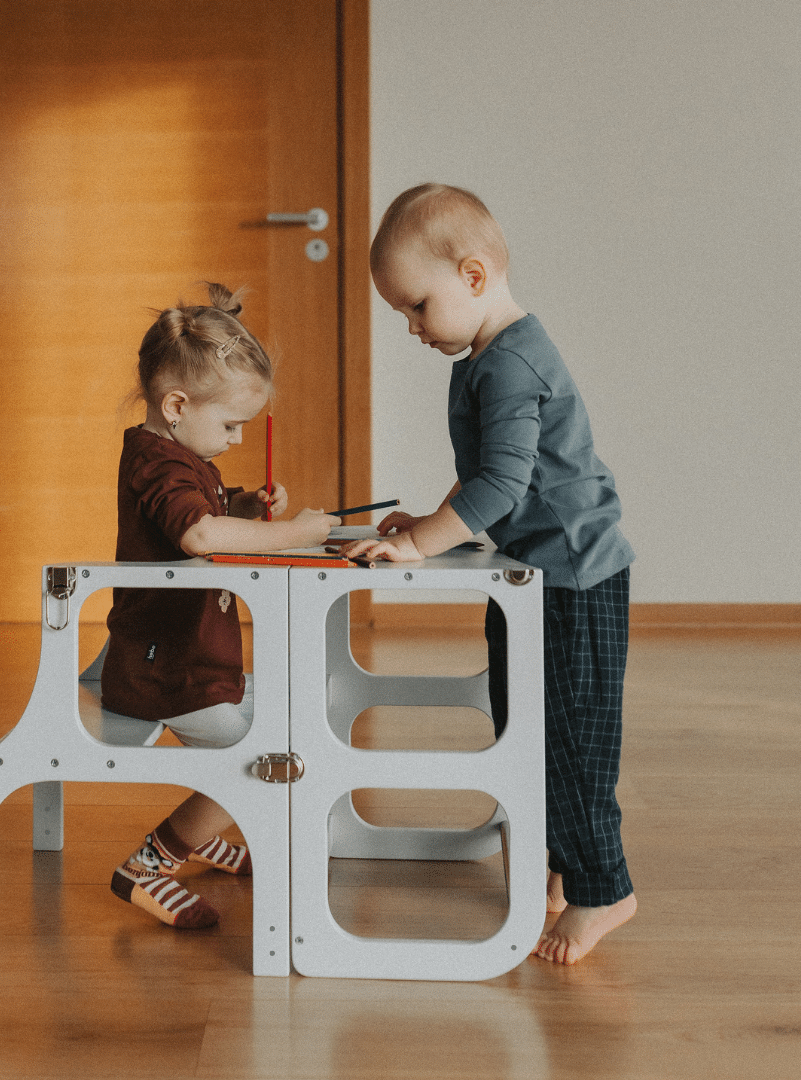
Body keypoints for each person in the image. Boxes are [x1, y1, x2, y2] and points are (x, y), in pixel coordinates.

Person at [337, 184, 637, 965]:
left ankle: (606, 888)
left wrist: (422, 546)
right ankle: (566, 870)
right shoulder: (488, 357)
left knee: (568, 738)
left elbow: (502, 488)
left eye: (416, 306)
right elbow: (490, 476)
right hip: (537, 574)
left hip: (573, 576)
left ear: (473, 276)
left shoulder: (508, 365)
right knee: (524, 722)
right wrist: (430, 522)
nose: (410, 327)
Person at [101, 283, 338, 929]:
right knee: (264, 760)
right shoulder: (159, 463)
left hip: (195, 657)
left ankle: (199, 834)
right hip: (167, 666)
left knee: (295, 721)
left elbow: (200, 518)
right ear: (176, 404)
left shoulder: (179, 456)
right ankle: (148, 863)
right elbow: (197, 535)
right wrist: (294, 532)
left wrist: (239, 507)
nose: (236, 439)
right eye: (230, 424)